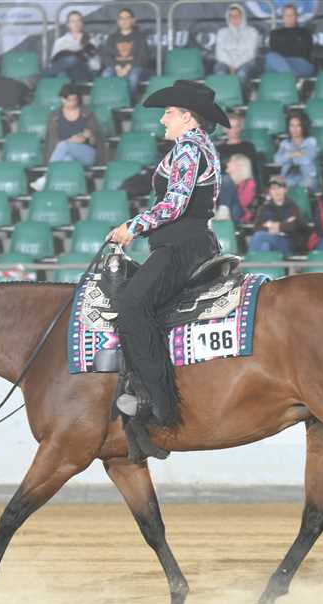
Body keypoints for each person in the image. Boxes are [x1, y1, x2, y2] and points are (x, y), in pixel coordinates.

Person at [104, 80, 230, 449]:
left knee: (131, 306)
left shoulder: (188, 148)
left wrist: (132, 227)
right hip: (189, 243)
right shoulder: (199, 147)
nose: (163, 119)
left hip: (181, 246)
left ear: (188, 117)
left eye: (169, 112)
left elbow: (175, 203)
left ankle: (158, 406)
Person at [43, 83, 105, 167]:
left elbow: (97, 142)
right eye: (69, 100)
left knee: (63, 145)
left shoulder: (87, 114)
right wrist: (71, 141)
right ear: (62, 99)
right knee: (67, 159)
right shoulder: (54, 117)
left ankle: (48, 173)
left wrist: (90, 136)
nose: (72, 103)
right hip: (64, 153)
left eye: (75, 100)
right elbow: (52, 143)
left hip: (87, 153)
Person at [248, 176, 307, 257]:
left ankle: (250, 261)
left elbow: (294, 226)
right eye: (273, 188)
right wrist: (277, 227)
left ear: (285, 190)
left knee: (260, 236)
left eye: (279, 188)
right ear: (269, 191)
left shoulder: (293, 207)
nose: (276, 191)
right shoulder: (264, 207)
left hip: (288, 243)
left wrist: (275, 226)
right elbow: (256, 227)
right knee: (265, 246)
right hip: (269, 239)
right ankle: (263, 265)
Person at [101, 8, 150, 99]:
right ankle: (111, 101)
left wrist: (127, 68)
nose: (124, 21)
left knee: (133, 76)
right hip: (116, 68)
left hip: (135, 67)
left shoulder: (140, 37)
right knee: (106, 74)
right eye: (121, 18)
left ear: (133, 20)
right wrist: (117, 67)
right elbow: (107, 56)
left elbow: (143, 57)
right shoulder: (112, 37)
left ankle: (129, 103)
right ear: (118, 21)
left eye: (127, 18)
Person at [43, 11, 100, 83]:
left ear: (82, 23)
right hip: (65, 74)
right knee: (65, 69)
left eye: (79, 20)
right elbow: (54, 64)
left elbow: (97, 66)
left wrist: (84, 59)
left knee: (73, 60)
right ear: (68, 24)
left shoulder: (90, 39)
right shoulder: (60, 42)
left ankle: (40, 77)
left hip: (84, 73)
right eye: (73, 21)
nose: (76, 24)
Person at [214, 4, 260, 88]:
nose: (234, 18)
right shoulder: (222, 32)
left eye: (237, 15)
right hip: (226, 63)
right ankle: (225, 95)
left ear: (243, 16)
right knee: (220, 72)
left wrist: (236, 66)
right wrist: (231, 65)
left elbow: (250, 53)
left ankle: (241, 96)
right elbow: (219, 53)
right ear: (228, 18)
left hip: (247, 63)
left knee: (242, 73)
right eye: (231, 16)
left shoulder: (252, 32)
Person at [265, 4, 315, 77]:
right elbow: (275, 52)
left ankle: (289, 78)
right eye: (286, 15)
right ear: (283, 17)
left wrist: (283, 52)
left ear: (296, 16)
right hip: (280, 62)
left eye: (291, 15)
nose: (289, 17)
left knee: (274, 63)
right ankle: (291, 77)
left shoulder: (305, 32)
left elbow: (303, 52)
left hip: (301, 63)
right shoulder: (274, 33)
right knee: (270, 57)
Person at [274, 110, 318, 191]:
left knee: (306, 184)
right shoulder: (285, 143)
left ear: (303, 127)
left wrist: (288, 156)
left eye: (298, 126)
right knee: (277, 184)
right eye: (291, 125)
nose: (294, 129)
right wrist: (296, 154)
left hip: (307, 176)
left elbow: (306, 159)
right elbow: (277, 159)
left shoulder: (311, 141)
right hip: (288, 176)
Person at [217, 111, 261, 188]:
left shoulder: (248, 147)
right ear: (225, 129)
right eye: (231, 127)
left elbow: (255, 170)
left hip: (245, 185)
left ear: (241, 128)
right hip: (227, 185)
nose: (234, 130)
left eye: (237, 126)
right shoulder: (220, 149)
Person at [217, 154, 256, 225]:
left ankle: (223, 210)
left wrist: (232, 192)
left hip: (239, 213)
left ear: (239, 166)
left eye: (231, 162)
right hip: (225, 209)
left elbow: (244, 203)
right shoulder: (229, 182)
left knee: (226, 179)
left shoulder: (249, 183)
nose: (227, 164)